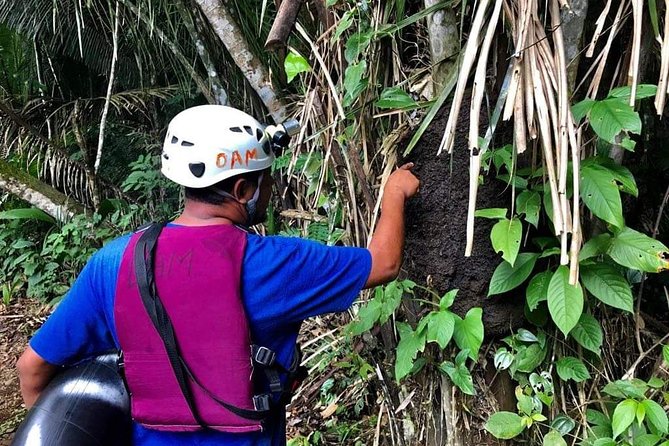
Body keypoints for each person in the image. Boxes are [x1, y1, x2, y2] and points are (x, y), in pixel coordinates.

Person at [16, 105, 420, 445]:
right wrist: (394, 192)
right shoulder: (275, 263)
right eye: (266, 178)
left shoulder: (113, 262)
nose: (272, 187)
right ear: (243, 190)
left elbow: (33, 368)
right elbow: (382, 262)